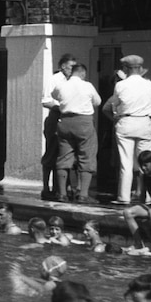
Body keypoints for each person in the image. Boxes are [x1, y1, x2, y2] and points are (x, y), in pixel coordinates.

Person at [103, 54, 151, 204]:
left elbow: (114, 104)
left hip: (127, 122)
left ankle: (123, 197)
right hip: (144, 122)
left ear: (126, 68)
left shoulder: (121, 85)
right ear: (140, 68)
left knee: (126, 163)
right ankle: (149, 196)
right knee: (147, 161)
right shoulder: (149, 85)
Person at [47, 58, 101, 202]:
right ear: (82, 74)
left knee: (64, 157)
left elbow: (54, 96)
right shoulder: (88, 85)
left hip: (64, 122)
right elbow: (97, 102)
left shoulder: (62, 86)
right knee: (86, 156)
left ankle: (62, 193)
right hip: (83, 122)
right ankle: (83, 194)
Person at [41, 52, 76, 200]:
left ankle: (62, 187)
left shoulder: (74, 81)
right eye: (70, 67)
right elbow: (46, 101)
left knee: (66, 155)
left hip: (70, 120)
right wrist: (61, 106)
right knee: (51, 154)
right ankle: (46, 187)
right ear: (62, 66)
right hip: (56, 118)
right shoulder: (54, 80)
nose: (71, 70)